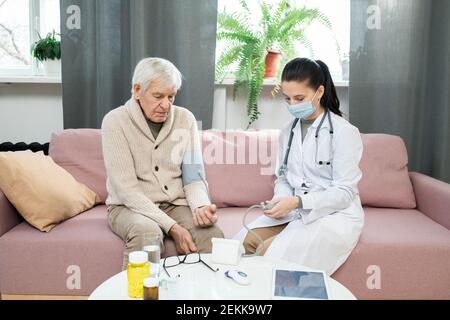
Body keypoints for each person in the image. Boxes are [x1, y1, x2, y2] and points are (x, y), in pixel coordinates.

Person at [235, 58, 364, 275]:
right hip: (295, 210)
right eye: (287, 98)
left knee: (270, 254)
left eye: (299, 98)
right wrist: (280, 200)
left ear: (319, 91)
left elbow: (344, 192)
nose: (292, 105)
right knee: (243, 244)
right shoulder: (288, 130)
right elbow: (284, 177)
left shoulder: (344, 132)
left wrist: (297, 201)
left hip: (334, 215)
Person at [102, 57, 224, 267]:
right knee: (147, 234)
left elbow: (194, 178)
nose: (166, 105)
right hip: (129, 207)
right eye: (158, 96)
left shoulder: (186, 119)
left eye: (171, 96)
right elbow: (127, 191)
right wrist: (173, 227)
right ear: (137, 90)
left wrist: (201, 206)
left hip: (175, 204)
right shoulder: (114, 122)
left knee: (211, 235)